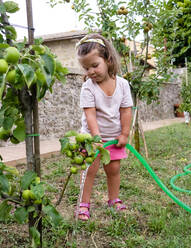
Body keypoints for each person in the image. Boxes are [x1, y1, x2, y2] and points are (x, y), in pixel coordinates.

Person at [76, 33, 133, 221]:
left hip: (114, 137)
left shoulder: (123, 84)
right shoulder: (88, 87)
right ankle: (83, 204)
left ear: (108, 59)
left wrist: (125, 133)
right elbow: (90, 114)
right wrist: (95, 137)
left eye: (95, 65)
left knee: (114, 169)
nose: (91, 71)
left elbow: (126, 110)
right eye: (86, 68)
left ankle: (114, 199)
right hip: (92, 138)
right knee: (89, 170)